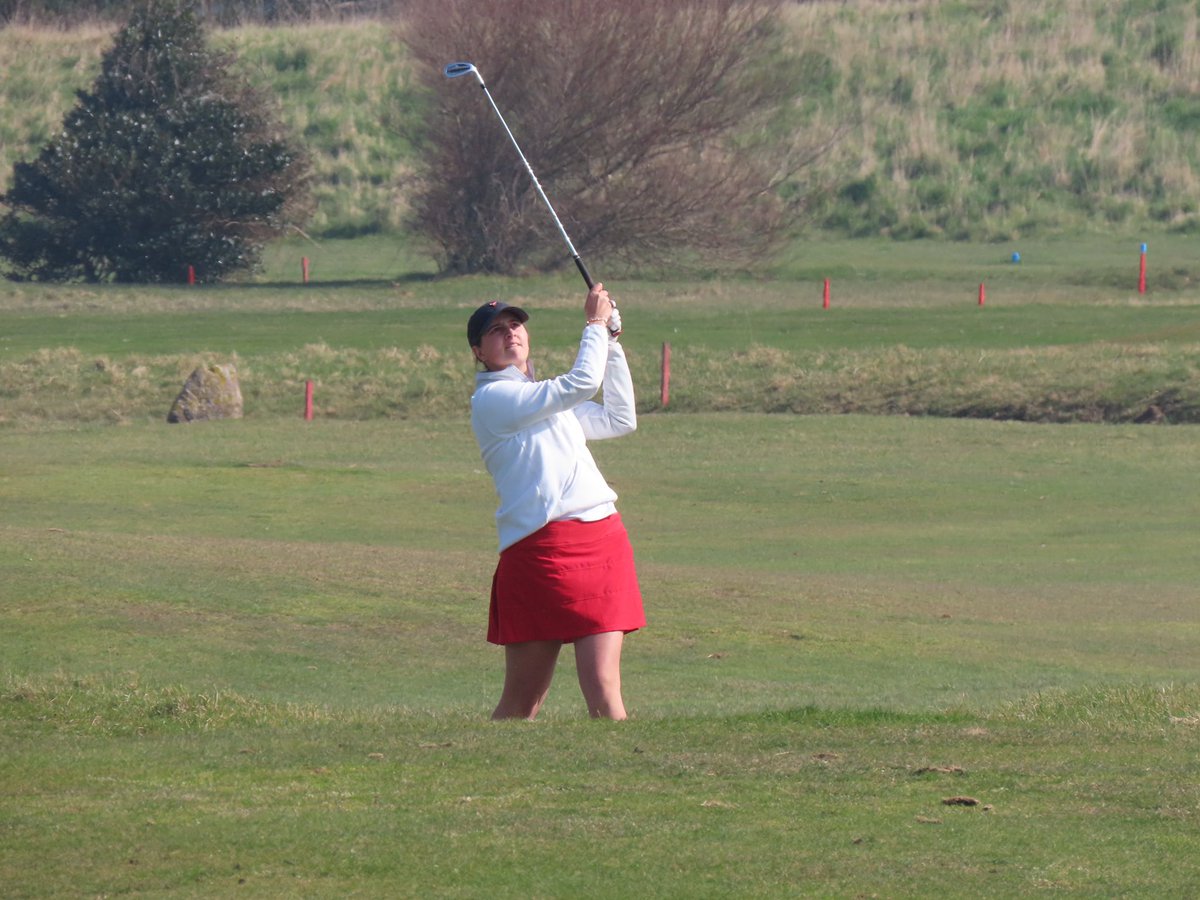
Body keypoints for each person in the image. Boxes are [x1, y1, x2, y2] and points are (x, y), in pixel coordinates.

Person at [467, 282, 644, 721]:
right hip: (539, 552)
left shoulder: (544, 398)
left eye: (515, 325)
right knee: (522, 702)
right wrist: (595, 324)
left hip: (601, 540)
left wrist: (612, 344)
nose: (510, 334)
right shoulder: (494, 399)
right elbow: (582, 383)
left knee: (605, 690)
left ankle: (628, 779)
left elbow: (619, 419)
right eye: (496, 331)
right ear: (479, 351)